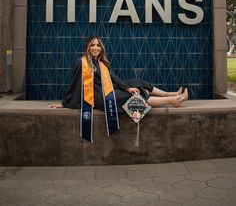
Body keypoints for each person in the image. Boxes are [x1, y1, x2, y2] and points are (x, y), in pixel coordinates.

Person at [49, 36, 188, 142]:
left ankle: (169, 94)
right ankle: (174, 100)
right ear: (88, 47)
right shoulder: (83, 63)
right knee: (130, 96)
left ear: (101, 48)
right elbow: (76, 84)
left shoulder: (101, 62)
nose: (96, 48)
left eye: (98, 45)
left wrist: (128, 88)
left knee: (135, 82)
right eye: (93, 45)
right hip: (98, 97)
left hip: (108, 89)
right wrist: (64, 103)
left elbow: (114, 79)